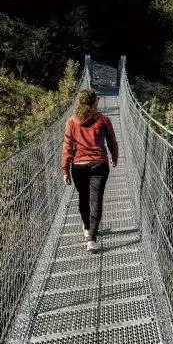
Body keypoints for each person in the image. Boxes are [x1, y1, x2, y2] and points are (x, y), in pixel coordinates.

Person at [61, 89, 119, 252]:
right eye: (96, 100)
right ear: (93, 103)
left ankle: (87, 228)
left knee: (83, 198)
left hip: (78, 166)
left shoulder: (72, 121)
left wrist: (65, 169)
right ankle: (92, 240)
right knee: (96, 200)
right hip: (99, 165)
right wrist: (114, 156)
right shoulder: (103, 119)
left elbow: (67, 147)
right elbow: (112, 141)